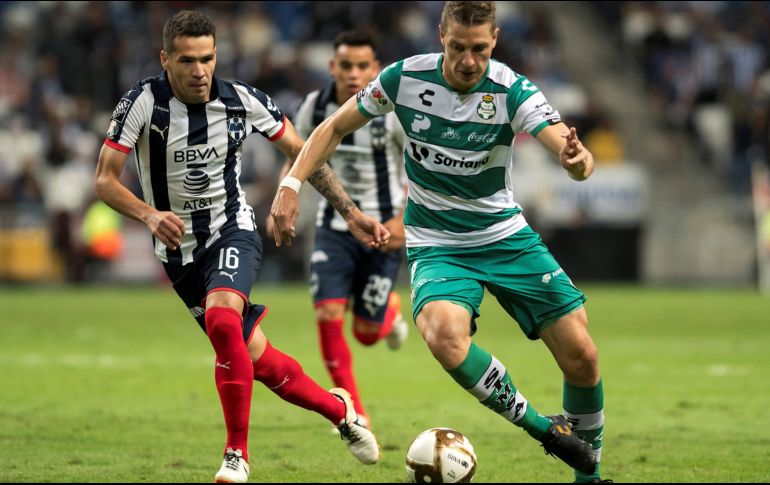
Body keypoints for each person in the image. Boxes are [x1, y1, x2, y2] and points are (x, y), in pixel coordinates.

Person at [270, 2, 609, 483]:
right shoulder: (404, 78)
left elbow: (570, 152)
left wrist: (576, 161)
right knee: (444, 336)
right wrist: (290, 184)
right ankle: (542, 428)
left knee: (583, 356)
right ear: (441, 36)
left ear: (495, 40)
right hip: (437, 243)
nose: (469, 61)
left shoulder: (511, 89)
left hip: (504, 236)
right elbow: (334, 127)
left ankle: (588, 478)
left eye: (480, 49)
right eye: (458, 47)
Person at [94, 11, 385, 483]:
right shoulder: (142, 102)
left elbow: (304, 152)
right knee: (260, 360)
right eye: (187, 60)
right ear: (165, 59)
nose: (199, 71)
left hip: (232, 230)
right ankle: (340, 412)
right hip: (177, 252)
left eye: (207, 58)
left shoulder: (243, 100)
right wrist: (149, 215)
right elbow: (105, 180)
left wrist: (349, 213)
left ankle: (236, 455)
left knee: (223, 318)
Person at [268, 30, 408, 426]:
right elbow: (296, 155)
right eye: (346, 65)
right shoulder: (314, 106)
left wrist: (406, 218)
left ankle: (389, 310)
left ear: (375, 68)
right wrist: (286, 191)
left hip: (383, 229)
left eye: (362, 66)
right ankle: (354, 415)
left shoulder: (394, 110)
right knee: (328, 312)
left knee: (366, 333)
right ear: (332, 66)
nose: (353, 74)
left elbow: (419, 165)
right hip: (333, 226)